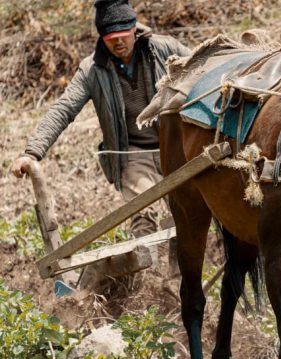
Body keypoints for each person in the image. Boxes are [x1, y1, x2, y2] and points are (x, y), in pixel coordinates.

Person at [11, 0, 189, 277]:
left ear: (135, 30)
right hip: (132, 154)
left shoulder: (165, 50)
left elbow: (206, 71)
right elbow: (64, 108)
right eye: (111, 39)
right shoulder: (92, 70)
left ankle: (180, 280)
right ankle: (146, 281)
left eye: (123, 36)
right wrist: (32, 152)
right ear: (102, 38)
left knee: (184, 215)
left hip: (176, 148)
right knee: (144, 212)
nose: (118, 44)